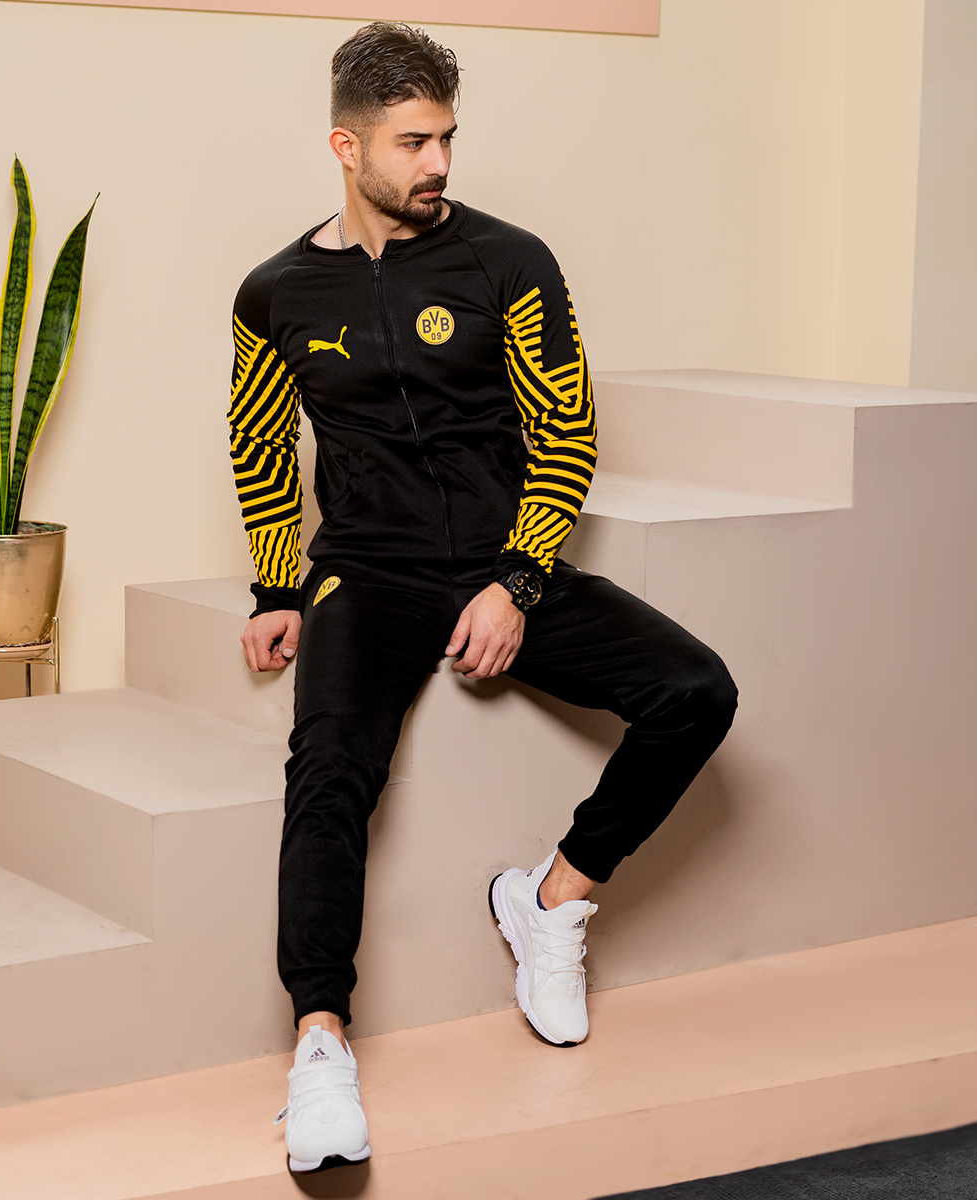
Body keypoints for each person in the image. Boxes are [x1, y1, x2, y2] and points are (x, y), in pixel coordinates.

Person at [228, 22, 737, 1174]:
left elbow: (567, 430)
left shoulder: (511, 261)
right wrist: (276, 584)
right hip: (368, 570)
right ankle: (320, 1047)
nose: (440, 162)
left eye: (447, 137)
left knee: (697, 691)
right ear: (346, 146)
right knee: (329, 770)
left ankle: (550, 900)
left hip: (503, 559)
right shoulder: (274, 293)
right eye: (413, 142)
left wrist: (517, 580)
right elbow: (258, 442)